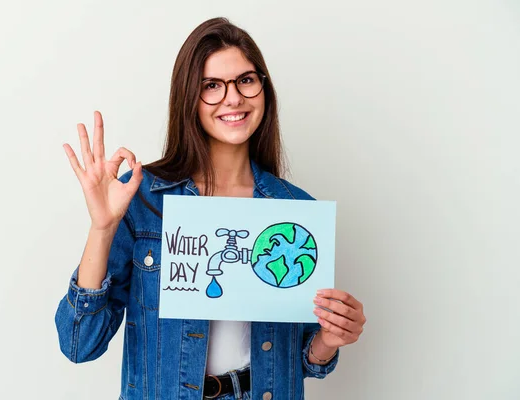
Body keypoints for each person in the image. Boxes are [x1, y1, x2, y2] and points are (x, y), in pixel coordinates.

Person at [55, 17, 366, 400]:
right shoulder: (142, 198)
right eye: (212, 86)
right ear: (189, 98)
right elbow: (79, 344)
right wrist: (102, 229)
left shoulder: (296, 211)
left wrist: (330, 339)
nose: (233, 98)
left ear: (263, 89)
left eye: (246, 81)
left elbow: (302, 358)